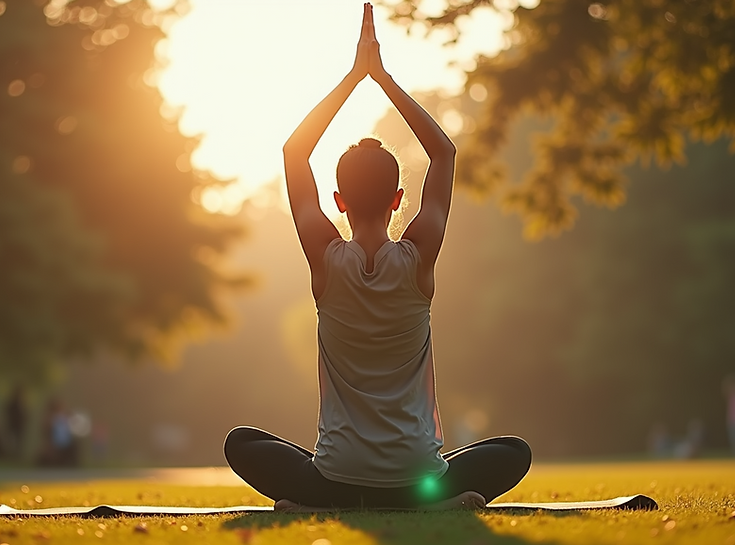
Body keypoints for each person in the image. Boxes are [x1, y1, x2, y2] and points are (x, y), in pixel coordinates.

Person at [223, 3, 532, 511]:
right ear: (397, 200)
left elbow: (294, 153)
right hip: (417, 477)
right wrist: (383, 79)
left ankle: (327, 503)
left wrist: (353, 78)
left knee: (242, 442)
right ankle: (425, 500)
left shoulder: (325, 261)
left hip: (335, 478)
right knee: (513, 452)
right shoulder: (418, 262)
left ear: (339, 202)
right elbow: (445, 155)